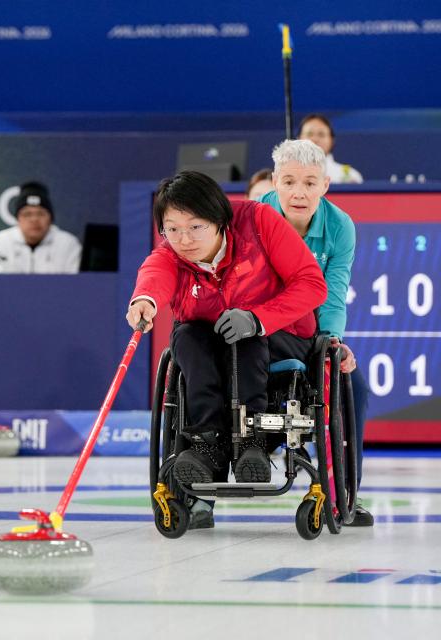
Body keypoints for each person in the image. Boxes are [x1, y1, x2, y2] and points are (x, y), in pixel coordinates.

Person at [127, 170, 327, 505]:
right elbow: (154, 273)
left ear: (219, 219)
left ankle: (253, 443)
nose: (184, 239)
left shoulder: (258, 221)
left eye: (195, 227)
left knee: (244, 337)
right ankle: (207, 444)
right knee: (187, 337)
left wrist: (259, 318)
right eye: (172, 229)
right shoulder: (172, 253)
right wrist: (144, 300)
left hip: (279, 336)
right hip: (211, 347)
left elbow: (311, 283)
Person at [258, 139, 373, 527]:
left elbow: (335, 293)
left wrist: (332, 343)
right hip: (257, 329)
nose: (299, 192)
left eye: (309, 183)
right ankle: (203, 492)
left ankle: (343, 495)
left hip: (309, 335)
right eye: (289, 182)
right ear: (275, 183)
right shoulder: (257, 218)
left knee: (353, 385)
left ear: (325, 185)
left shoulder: (340, 227)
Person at [0, 181, 81, 273]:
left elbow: (77, 284)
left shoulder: (68, 245)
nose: (34, 220)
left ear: (51, 218)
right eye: (27, 214)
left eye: (40, 214)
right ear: (18, 219)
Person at [298, 113, 363, 184]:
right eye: (309, 134)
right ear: (298, 139)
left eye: (321, 134)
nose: (315, 139)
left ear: (332, 140)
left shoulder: (351, 177)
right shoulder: (287, 175)